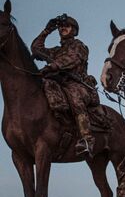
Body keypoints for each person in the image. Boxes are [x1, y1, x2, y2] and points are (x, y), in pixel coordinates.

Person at [31, 13, 99, 156]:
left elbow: (71, 59)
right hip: (58, 84)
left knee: (74, 96)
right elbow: (36, 49)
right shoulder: (56, 50)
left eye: (67, 26)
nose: (63, 28)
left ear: (73, 30)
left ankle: (87, 138)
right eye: (61, 26)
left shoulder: (80, 46)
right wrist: (46, 30)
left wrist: (52, 66)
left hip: (78, 85)